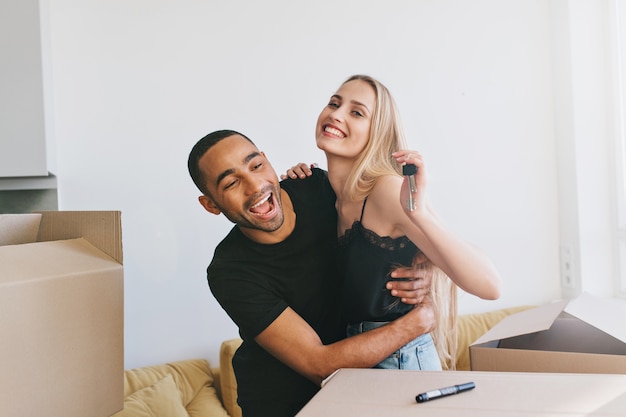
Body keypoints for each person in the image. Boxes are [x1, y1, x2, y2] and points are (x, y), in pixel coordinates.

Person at [187, 129, 438, 417]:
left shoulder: (318, 187)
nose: (255, 185)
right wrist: (419, 321)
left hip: (360, 388)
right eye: (231, 183)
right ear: (210, 205)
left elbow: (388, 230)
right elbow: (320, 365)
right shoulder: (229, 271)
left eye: (256, 166)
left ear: (268, 162)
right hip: (285, 405)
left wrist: (420, 267)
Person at [284, 74, 502, 370]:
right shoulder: (327, 197)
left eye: (356, 112)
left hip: (401, 361)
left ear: (379, 133)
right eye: (334, 103)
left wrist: (419, 214)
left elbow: (490, 285)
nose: (335, 114)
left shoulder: (385, 190)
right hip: (356, 356)